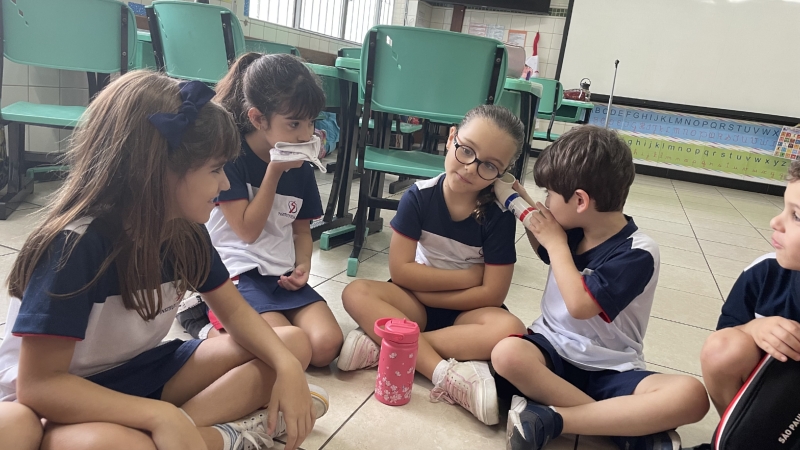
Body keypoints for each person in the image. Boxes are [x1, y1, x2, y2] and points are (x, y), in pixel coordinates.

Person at [0, 72, 328, 450]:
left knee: (291, 344)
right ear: (156, 170)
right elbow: (41, 385)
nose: (225, 184)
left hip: (137, 373)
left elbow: (237, 314)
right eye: (215, 169)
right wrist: (159, 416)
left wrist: (286, 366)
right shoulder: (75, 245)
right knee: (112, 445)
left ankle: (190, 435)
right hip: (60, 400)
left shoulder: (185, 231)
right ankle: (219, 437)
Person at [491, 126, 709, 450]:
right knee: (506, 354)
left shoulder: (638, 252)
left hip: (611, 368)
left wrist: (556, 243)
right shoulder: (572, 227)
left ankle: (557, 419)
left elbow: (580, 305)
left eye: (550, 193)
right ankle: (624, 429)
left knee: (691, 396)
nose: (545, 201)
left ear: (580, 200)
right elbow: (542, 239)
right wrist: (518, 198)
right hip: (553, 353)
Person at [338, 105, 527, 426]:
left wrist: (430, 290)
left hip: (467, 312)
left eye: (489, 166)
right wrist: (468, 276)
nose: (470, 168)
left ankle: (386, 344)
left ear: (503, 174)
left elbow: (493, 295)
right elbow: (401, 272)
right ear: (452, 138)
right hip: (415, 301)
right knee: (355, 292)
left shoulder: (499, 216)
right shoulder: (418, 197)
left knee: (511, 330)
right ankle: (444, 373)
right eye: (466, 150)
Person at [178, 53, 343, 368]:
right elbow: (247, 232)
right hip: (237, 272)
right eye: (294, 123)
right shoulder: (232, 156)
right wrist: (274, 172)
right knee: (287, 348)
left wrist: (303, 265)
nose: (305, 135)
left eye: (311, 122)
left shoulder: (301, 164)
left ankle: (227, 327)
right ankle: (201, 322)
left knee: (326, 346)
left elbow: (301, 231)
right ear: (258, 119)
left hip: (279, 274)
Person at [700, 160, 800, 417]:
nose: (775, 222)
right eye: (784, 208)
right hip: (773, 404)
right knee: (722, 349)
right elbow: (724, 337)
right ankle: (736, 432)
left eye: (797, 216)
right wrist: (754, 328)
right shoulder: (764, 273)